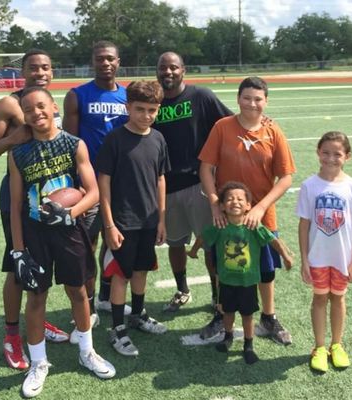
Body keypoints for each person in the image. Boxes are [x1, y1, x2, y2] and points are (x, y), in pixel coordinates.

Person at [9, 87, 116, 397]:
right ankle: (38, 362)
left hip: (69, 230)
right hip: (35, 233)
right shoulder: (18, 153)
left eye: (41, 106)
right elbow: (16, 206)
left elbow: (93, 191)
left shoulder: (74, 144)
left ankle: (86, 351)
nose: (36, 113)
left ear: (52, 106)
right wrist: (18, 250)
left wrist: (70, 212)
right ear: (24, 116)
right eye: (29, 110)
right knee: (37, 296)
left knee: (77, 291)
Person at [0, 49, 68, 370]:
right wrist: (11, 139)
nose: (40, 72)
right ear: (22, 71)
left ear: (52, 72)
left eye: (45, 67)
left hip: (51, 196)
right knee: (20, 265)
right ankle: (12, 336)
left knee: (43, 264)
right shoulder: (10, 104)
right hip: (17, 197)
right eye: (33, 68)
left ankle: (36, 322)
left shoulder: (49, 102)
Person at [199, 76, 296, 345]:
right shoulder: (222, 127)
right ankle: (221, 314)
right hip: (227, 215)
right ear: (238, 99)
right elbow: (206, 168)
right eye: (246, 98)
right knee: (224, 267)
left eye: (258, 99)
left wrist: (262, 207)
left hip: (261, 216)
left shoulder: (273, 130)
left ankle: (268, 317)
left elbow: (286, 176)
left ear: (266, 101)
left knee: (265, 270)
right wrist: (215, 203)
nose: (252, 104)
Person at [153, 51, 233, 313]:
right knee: (175, 243)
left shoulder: (201, 96)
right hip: (167, 185)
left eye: (173, 67)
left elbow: (229, 122)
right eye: (163, 68)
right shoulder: (153, 102)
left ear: (183, 70)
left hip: (199, 184)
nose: (168, 72)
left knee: (209, 243)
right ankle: (182, 289)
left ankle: (217, 295)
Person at [97, 81, 170, 356]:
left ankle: (138, 315)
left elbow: (161, 179)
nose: (146, 115)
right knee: (121, 276)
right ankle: (117, 329)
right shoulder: (115, 139)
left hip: (149, 220)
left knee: (141, 270)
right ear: (127, 107)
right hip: (123, 222)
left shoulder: (159, 139)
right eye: (140, 109)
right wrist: (109, 223)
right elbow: (103, 183)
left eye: (152, 110)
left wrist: (161, 218)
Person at [63, 41, 130, 336]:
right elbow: (68, 140)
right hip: (89, 181)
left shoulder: (129, 94)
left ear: (118, 62)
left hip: (121, 181)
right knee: (87, 245)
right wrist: (75, 179)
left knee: (113, 240)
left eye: (110, 59)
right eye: (100, 58)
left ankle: (104, 297)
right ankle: (86, 305)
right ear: (93, 61)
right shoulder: (77, 95)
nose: (105, 63)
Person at [296, 131, 352, 372]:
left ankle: (336, 345)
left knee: (338, 298)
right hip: (317, 257)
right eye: (325, 152)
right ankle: (319, 346)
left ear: (347, 156)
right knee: (318, 299)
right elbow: (304, 225)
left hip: (341, 259)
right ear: (318, 153)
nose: (330, 158)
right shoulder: (308, 185)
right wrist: (304, 260)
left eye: (337, 154)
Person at [203, 181, 292, 363]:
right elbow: (203, 236)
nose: (234, 202)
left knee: (247, 314)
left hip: (248, 282)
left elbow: (272, 240)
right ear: (221, 206)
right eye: (229, 199)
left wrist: (285, 254)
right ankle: (227, 337)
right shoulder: (220, 226)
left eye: (239, 199)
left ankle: (248, 344)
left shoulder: (253, 226)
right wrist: (193, 250)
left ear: (248, 205)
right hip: (226, 281)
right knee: (227, 312)